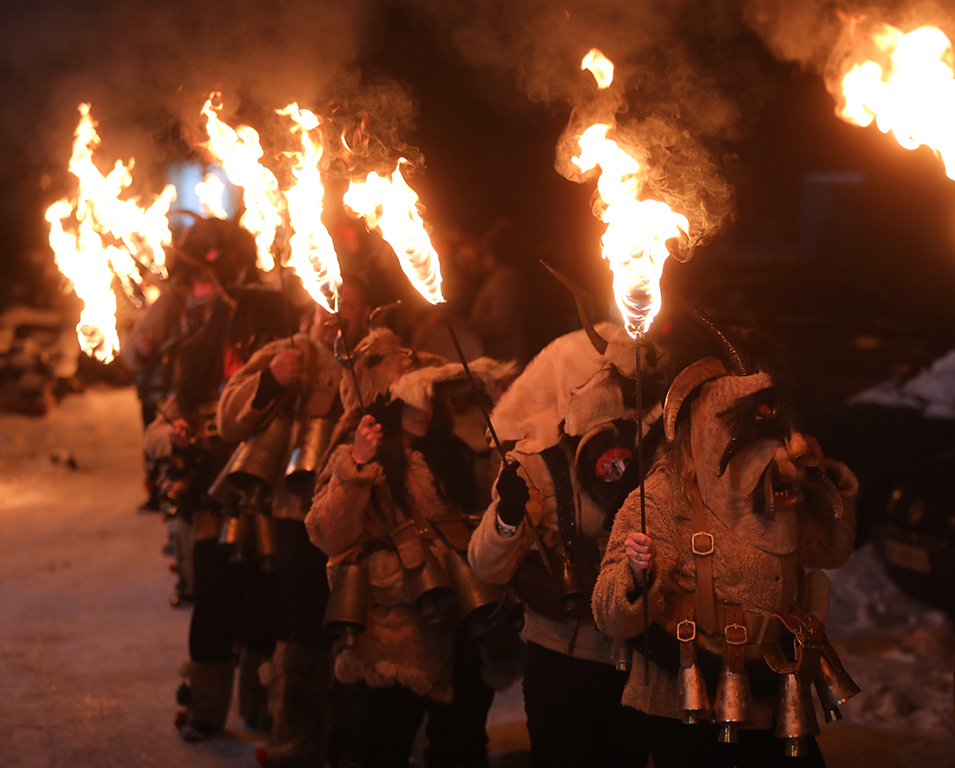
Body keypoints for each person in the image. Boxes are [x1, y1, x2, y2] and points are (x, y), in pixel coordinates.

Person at [592, 354, 860, 768]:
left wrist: (830, 487)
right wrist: (635, 574)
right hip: (686, 696)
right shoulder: (662, 495)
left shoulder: (775, 481)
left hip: (771, 684)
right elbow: (611, 616)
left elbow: (830, 551)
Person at [305, 327, 514, 768]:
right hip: (394, 634)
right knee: (385, 744)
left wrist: (505, 444)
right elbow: (327, 533)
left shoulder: (450, 453)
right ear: (387, 402)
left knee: (462, 743)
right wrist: (356, 466)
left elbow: (492, 498)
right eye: (413, 396)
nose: (426, 406)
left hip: (461, 618)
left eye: (431, 396)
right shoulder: (356, 454)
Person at [467, 321, 668, 768]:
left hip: (635, 652)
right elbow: (486, 567)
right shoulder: (535, 465)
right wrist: (508, 516)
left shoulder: (652, 456)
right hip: (561, 654)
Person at [143, 215, 292, 742]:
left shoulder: (280, 333)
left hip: (272, 501)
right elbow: (157, 433)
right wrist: (175, 436)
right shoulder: (201, 348)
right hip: (213, 501)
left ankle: (259, 706)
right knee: (215, 606)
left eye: (207, 279)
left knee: (265, 608)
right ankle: (206, 709)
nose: (200, 292)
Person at [217, 281, 370, 768]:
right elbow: (228, 420)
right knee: (302, 631)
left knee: (359, 630)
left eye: (347, 303)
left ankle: (351, 739)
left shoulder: (382, 358)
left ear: (367, 311)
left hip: (363, 522)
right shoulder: (291, 352)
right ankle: (297, 740)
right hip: (298, 521)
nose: (335, 312)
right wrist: (272, 380)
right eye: (328, 302)